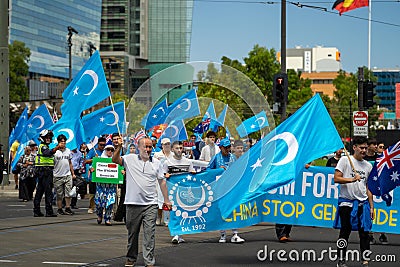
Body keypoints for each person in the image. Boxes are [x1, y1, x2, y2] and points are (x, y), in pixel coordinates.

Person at [112, 137, 171, 267]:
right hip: (132, 203)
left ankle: (149, 260)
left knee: (149, 234)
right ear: (138, 147)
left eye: (150, 147)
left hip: (151, 204)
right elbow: (115, 160)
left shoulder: (156, 162)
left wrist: (167, 200)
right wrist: (118, 147)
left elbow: (162, 181)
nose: (148, 149)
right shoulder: (129, 158)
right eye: (145, 147)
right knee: (132, 234)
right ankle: (131, 258)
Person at [333, 136, 374, 267]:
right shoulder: (345, 160)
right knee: (345, 231)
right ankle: (341, 259)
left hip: (363, 203)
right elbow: (336, 178)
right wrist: (351, 179)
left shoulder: (368, 166)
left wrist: (372, 207)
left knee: (365, 232)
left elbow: (368, 188)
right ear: (354, 147)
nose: (364, 150)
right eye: (361, 148)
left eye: (365, 148)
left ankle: (365, 259)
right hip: (347, 203)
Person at [207, 138, 245, 244]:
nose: (228, 149)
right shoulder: (216, 158)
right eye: (226, 147)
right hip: (220, 189)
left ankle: (235, 234)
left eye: (229, 147)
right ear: (220, 148)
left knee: (233, 210)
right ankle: (223, 234)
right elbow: (207, 171)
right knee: (221, 211)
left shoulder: (233, 157)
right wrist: (218, 170)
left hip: (231, 188)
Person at [163, 141, 195, 244]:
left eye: (181, 148)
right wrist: (166, 175)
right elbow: (162, 176)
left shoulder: (188, 162)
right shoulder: (167, 162)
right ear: (172, 149)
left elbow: (192, 176)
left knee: (183, 213)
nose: (179, 150)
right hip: (172, 191)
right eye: (177, 148)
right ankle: (175, 234)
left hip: (184, 191)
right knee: (174, 213)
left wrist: (193, 174)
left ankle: (179, 234)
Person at [33, 129, 58, 217]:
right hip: (45, 171)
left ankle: (37, 210)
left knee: (40, 191)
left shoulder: (44, 146)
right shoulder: (43, 147)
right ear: (43, 138)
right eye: (47, 137)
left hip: (44, 171)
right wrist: (56, 148)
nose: (48, 139)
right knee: (48, 191)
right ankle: (49, 211)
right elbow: (47, 153)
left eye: (49, 137)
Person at [95, 144, 117, 225]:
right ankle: (99, 215)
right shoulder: (99, 159)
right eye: (108, 149)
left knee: (110, 203)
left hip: (111, 186)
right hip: (101, 186)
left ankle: (107, 218)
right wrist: (92, 169)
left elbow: (121, 168)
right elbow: (92, 168)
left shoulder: (116, 160)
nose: (110, 151)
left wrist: (122, 172)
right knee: (99, 203)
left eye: (112, 150)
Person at [53, 134, 75, 216]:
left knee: (68, 192)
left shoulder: (68, 151)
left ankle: (68, 207)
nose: (63, 143)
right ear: (58, 142)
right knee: (59, 194)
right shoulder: (55, 152)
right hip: (58, 175)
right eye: (61, 142)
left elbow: (70, 162)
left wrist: (73, 173)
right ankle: (59, 208)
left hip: (67, 174)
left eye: (64, 142)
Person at [153, 138, 173, 226]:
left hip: (170, 180)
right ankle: (158, 217)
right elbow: (154, 166)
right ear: (162, 145)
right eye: (165, 144)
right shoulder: (157, 155)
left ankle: (167, 219)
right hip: (159, 180)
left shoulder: (173, 155)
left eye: (168, 144)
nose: (167, 146)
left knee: (168, 199)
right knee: (159, 199)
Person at [85, 137, 106, 214]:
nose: (102, 147)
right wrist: (94, 159)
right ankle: (91, 207)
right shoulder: (92, 151)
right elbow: (86, 161)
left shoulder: (106, 152)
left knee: (102, 193)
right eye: (101, 145)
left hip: (102, 176)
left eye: (104, 145)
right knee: (92, 193)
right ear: (98, 144)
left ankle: (102, 208)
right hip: (93, 176)